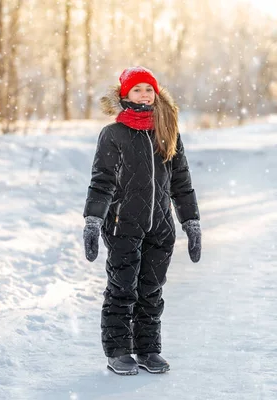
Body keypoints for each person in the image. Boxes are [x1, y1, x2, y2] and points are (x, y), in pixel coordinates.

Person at [82, 66, 201, 375]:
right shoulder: (113, 134)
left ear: (156, 94)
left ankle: (148, 349)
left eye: (149, 89)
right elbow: (102, 181)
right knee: (122, 288)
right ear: (125, 95)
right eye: (137, 89)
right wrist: (94, 219)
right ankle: (118, 351)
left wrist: (191, 222)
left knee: (151, 289)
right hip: (123, 224)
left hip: (161, 227)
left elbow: (181, 182)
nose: (144, 95)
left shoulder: (167, 130)